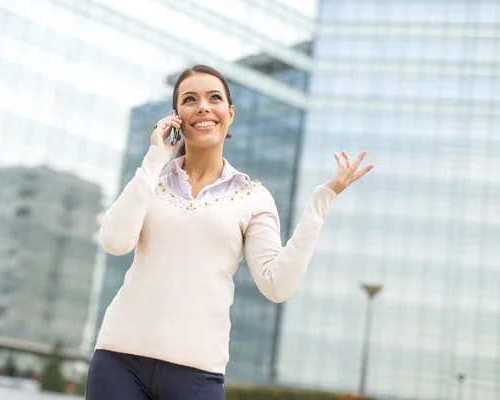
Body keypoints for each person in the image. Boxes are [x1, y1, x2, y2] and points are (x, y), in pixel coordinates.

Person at [85, 65, 374, 399]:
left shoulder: (253, 196)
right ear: (176, 116)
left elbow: (276, 284)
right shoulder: (151, 183)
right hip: (119, 361)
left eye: (214, 98)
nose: (203, 106)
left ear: (230, 113)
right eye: (190, 99)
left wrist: (320, 201)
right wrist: (155, 158)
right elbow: (115, 241)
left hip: (197, 371)